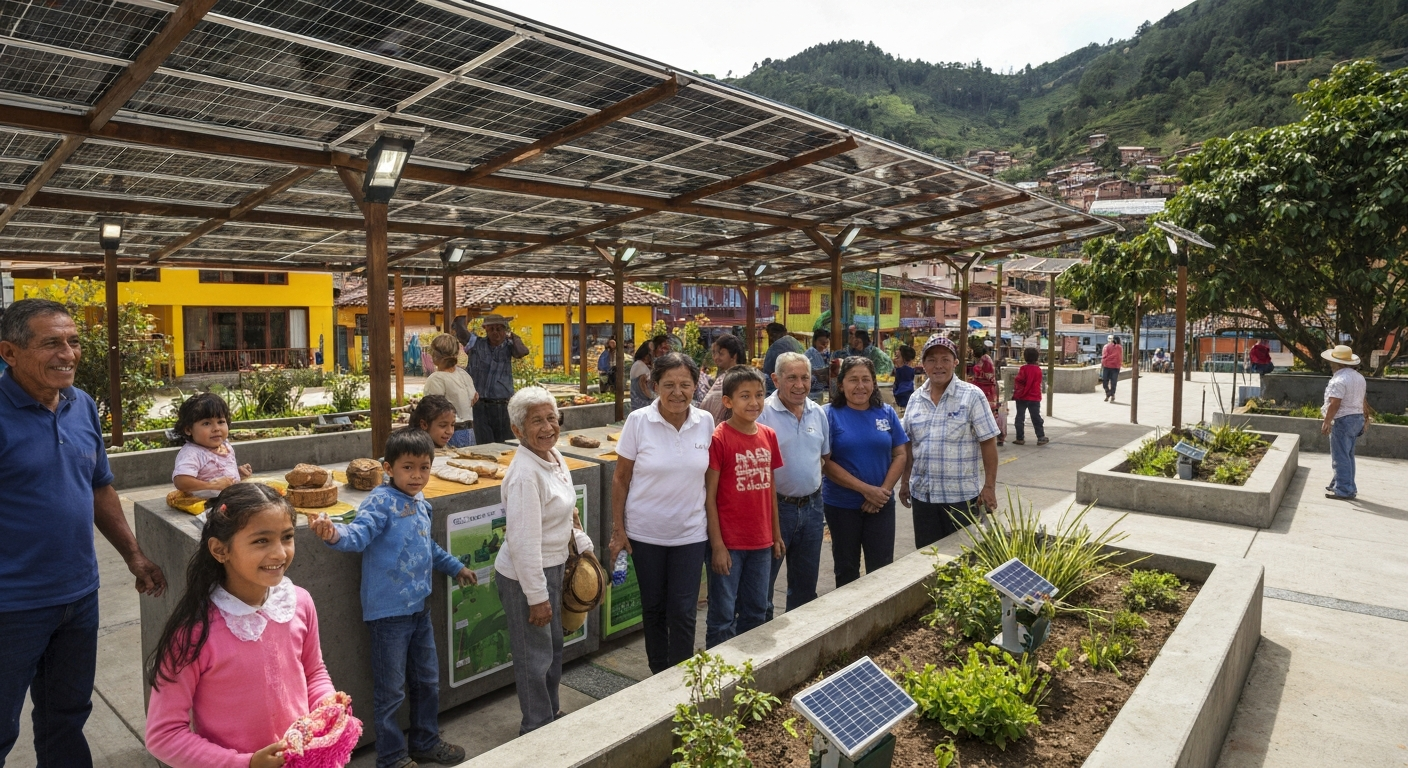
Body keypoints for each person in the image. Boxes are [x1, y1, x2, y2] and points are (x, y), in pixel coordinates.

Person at [0, 298, 167, 768]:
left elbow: (99, 488)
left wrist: (134, 555)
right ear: (9, 352)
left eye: (73, 342)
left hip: (79, 596)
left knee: (67, 715)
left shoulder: (82, 404)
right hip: (11, 606)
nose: (68, 354)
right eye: (51, 343)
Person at [311, 428, 476, 768]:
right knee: (391, 692)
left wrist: (455, 567)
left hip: (419, 610)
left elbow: (425, 546)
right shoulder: (380, 501)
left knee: (427, 681)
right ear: (388, 468)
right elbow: (357, 535)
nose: (417, 475)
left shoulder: (420, 503)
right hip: (387, 616)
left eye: (424, 468)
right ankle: (390, 756)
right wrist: (333, 533)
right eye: (408, 467)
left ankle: (425, 742)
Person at [145, 484, 334, 768]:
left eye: (287, 537)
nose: (280, 553)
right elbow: (163, 735)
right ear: (220, 550)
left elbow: (314, 672)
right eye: (261, 541)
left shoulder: (299, 603)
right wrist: (245, 764)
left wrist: (329, 705)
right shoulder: (195, 631)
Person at [497, 388, 595, 734]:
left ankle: (550, 715)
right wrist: (537, 598)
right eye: (536, 420)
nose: (547, 426)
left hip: (554, 566)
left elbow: (568, 515)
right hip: (526, 575)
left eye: (551, 417)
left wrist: (584, 547)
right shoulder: (525, 474)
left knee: (552, 649)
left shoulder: (553, 456)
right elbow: (523, 544)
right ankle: (536, 728)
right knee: (534, 657)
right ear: (518, 430)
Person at [608, 353, 713, 674]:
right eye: (668, 384)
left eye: (685, 384)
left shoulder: (706, 422)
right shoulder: (639, 421)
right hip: (644, 535)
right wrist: (618, 530)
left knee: (683, 610)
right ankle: (658, 675)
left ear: (696, 386)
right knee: (654, 609)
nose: (677, 392)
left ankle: (680, 679)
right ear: (654, 386)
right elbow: (621, 478)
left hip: (691, 535)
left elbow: (710, 480)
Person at [704, 366, 784, 648]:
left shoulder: (768, 436)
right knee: (723, 615)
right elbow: (709, 496)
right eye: (745, 396)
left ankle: (750, 669)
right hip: (730, 544)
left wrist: (775, 535)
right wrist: (717, 546)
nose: (754, 403)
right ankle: (719, 677)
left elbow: (770, 488)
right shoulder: (719, 438)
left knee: (756, 610)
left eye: (760, 395)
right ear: (728, 401)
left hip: (761, 543)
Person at [900, 335, 1001, 549]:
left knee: (964, 559)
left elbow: (988, 442)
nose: (938, 366)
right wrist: (905, 481)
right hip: (923, 497)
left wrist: (989, 486)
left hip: (961, 499)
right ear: (923, 364)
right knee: (927, 561)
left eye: (945, 359)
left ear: (955, 362)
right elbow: (908, 444)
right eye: (932, 360)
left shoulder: (972, 396)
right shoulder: (915, 399)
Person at [821, 356, 908, 587]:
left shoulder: (886, 412)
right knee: (846, 569)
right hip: (842, 506)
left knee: (881, 569)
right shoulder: (828, 414)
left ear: (874, 384)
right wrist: (865, 490)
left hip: (881, 504)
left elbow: (900, 454)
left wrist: (881, 492)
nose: (860, 386)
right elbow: (825, 462)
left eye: (866, 380)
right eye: (853, 380)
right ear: (841, 385)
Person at [758, 352, 829, 620]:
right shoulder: (763, 413)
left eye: (805, 378)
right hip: (775, 509)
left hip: (812, 509)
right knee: (763, 585)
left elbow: (824, 456)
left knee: (804, 586)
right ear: (776, 379)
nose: (799, 385)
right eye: (791, 378)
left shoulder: (818, 413)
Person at [171, 392, 253, 498]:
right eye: (206, 423)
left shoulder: (225, 446)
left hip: (227, 499)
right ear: (188, 429)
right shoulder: (192, 453)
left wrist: (236, 475)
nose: (216, 428)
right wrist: (211, 485)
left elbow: (214, 473)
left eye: (221, 422)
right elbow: (181, 481)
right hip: (206, 505)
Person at [467, 314, 529, 445]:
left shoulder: (510, 346)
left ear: (505, 330)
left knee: (505, 444)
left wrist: (514, 338)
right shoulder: (477, 344)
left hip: (502, 405)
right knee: (484, 445)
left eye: (499, 329)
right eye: (491, 329)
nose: (495, 332)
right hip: (480, 405)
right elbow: (460, 331)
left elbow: (522, 352)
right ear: (486, 330)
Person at [1320, 345, 1368, 501]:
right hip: (1356, 418)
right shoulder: (1359, 377)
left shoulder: (1339, 380)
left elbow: (1335, 403)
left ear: (1336, 363)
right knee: (1348, 454)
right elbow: (1362, 399)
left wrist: (1327, 420)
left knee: (1340, 456)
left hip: (1343, 419)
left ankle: (1344, 489)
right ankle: (1342, 484)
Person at [424, 334, 478, 448]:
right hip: (469, 433)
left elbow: (432, 410)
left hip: (448, 434)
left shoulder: (436, 379)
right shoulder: (464, 374)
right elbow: (473, 399)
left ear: (435, 354)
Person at [700, 333, 745, 423]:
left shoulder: (736, 379)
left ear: (734, 356)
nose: (716, 358)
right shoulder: (725, 377)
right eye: (714, 353)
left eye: (721, 354)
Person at [1010, 347, 1049, 446]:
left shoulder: (1023, 369)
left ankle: (1020, 438)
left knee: (1020, 417)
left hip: (1022, 397)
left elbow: (1019, 380)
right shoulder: (1038, 370)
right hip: (1034, 397)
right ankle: (1040, 437)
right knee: (1036, 417)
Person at [970, 339, 1001, 446]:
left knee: (986, 412)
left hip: (986, 390)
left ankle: (989, 434)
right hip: (984, 389)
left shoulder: (985, 361)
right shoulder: (985, 359)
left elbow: (986, 376)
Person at [760, 322, 804, 395]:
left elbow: (767, 372)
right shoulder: (795, 343)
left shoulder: (776, 347)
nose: (770, 338)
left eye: (771, 335)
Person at [628, 340, 656, 411]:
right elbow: (643, 387)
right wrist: (654, 397)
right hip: (642, 406)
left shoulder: (642, 365)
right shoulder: (640, 365)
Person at [806, 330, 832, 403]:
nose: (825, 346)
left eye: (827, 343)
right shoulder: (810, 354)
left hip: (823, 390)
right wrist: (818, 373)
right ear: (814, 342)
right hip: (812, 392)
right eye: (822, 343)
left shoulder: (827, 354)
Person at [892, 345, 918, 410]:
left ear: (906, 360)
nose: (894, 359)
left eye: (897, 357)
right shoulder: (902, 372)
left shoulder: (905, 373)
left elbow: (903, 393)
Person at [1101, 334, 1123, 402]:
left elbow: (1104, 356)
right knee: (1112, 382)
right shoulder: (1107, 347)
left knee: (1108, 382)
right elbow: (1104, 356)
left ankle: (1111, 394)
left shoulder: (1118, 347)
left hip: (1114, 367)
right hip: (1109, 366)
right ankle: (1109, 394)